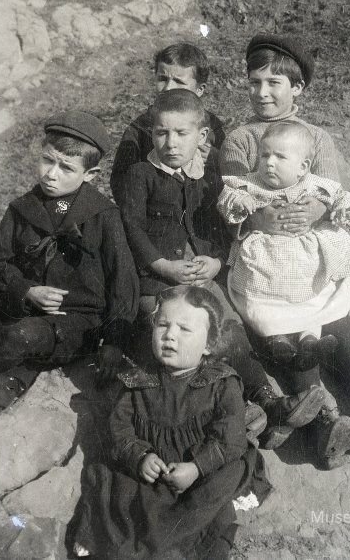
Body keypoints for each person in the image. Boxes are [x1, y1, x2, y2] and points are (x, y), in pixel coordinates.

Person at [0, 111, 139, 512]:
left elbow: (124, 283)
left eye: (66, 168)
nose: (51, 174)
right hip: (25, 319)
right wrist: (26, 290)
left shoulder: (103, 217)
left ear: (91, 174)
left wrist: (114, 342)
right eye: (47, 160)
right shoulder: (23, 209)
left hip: (77, 327)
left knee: (19, 337)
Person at [220, 34, 350, 467]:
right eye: (255, 83)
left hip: (309, 252)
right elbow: (232, 192)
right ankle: (323, 422)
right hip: (268, 258)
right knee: (286, 326)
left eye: (274, 83)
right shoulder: (240, 139)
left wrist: (317, 209)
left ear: (297, 88)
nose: (262, 93)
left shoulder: (316, 138)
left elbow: (330, 189)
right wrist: (257, 218)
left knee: (336, 321)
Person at [119, 88, 331, 453]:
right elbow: (132, 228)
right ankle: (240, 410)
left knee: (230, 332)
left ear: (202, 136)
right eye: (161, 133)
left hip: (204, 276)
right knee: (185, 336)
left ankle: (267, 401)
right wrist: (162, 265)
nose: (171, 142)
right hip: (159, 282)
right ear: (151, 133)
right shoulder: (140, 175)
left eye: (181, 133)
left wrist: (217, 261)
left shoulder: (208, 177)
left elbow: (222, 228)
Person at [71, 285, 271, 560]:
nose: (169, 335)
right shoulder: (138, 381)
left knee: (224, 481)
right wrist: (140, 456)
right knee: (112, 480)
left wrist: (197, 467)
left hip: (205, 467)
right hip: (155, 471)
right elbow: (119, 428)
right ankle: (129, 541)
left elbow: (231, 440)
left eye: (184, 329)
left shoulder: (222, 384)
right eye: (162, 325)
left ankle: (177, 544)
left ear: (209, 344)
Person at [218, 121, 350, 370]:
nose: (269, 163)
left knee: (314, 296)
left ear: (303, 167)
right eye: (264, 155)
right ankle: (277, 339)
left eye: (280, 157)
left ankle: (310, 339)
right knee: (262, 298)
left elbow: (340, 196)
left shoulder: (313, 185)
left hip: (304, 261)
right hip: (266, 258)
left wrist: (343, 209)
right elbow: (229, 195)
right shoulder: (250, 183)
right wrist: (241, 202)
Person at [110, 41, 226, 202]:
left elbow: (229, 175)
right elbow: (120, 180)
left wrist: (217, 158)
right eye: (163, 79)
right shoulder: (140, 128)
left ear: (199, 89)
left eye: (179, 81)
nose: (168, 87)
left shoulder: (212, 126)